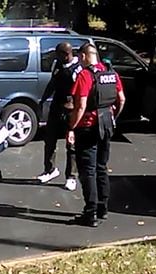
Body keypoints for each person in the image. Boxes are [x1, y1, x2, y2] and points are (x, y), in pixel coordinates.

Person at [67, 43, 125, 227]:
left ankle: (90, 213)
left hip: (88, 127)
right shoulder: (111, 73)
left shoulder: (85, 75)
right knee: (102, 167)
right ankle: (103, 208)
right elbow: (121, 99)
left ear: (84, 56)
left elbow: (81, 106)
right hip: (106, 124)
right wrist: (112, 115)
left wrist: (71, 127)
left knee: (88, 170)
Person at [37, 42, 83, 191]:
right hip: (56, 107)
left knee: (71, 144)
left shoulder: (78, 69)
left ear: (66, 54)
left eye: (58, 54)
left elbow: (81, 92)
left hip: (71, 109)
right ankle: (50, 170)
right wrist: (43, 100)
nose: (56, 57)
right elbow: (52, 83)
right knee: (49, 139)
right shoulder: (57, 64)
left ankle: (71, 176)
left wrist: (77, 108)